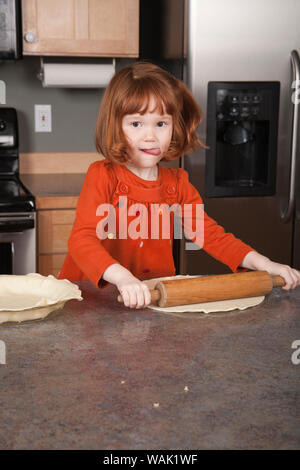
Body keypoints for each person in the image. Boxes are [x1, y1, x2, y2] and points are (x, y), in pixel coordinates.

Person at [58, 62, 300, 309]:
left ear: (174, 127)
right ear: (114, 127)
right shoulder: (103, 176)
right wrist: (123, 278)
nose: (150, 136)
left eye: (161, 124)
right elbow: (82, 240)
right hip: (89, 300)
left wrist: (264, 264)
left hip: (150, 298)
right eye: (136, 124)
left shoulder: (178, 184)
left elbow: (212, 236)